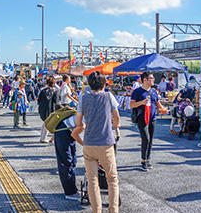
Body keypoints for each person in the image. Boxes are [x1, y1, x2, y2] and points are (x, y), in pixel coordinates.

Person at [71, 71, 120, 212]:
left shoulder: (83, 98)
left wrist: (82, 126)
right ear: (104, 84)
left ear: (89, 84)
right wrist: (115, 124)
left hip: (89, 144)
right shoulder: (108, 96)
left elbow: (78, 122)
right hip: (106, 144)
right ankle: (113, 210)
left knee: (92, 181)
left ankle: (96, 210)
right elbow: (116, 115)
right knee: (112, 180)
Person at [130, 72, 166, 171]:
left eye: (153, 78)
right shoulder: (137, 92)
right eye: (151, 78)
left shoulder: (154, 92)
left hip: (152, 119)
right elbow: (132, 105)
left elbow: (158, 105)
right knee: (146, 138)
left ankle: (147, 159)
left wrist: (163, 109)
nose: (153, 80)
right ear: (145, 80)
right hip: (142, 118)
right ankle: (143, 160)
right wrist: (141, 102)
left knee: (150, 140)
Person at [38, 76, 59, 143]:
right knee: (51, 124)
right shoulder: (54, 91)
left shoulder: (42, 90)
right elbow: (56, 102)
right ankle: (47, 138)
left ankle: (43, 137)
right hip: (51, 110)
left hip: (42, 109)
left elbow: (39, 100)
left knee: (45, 123)